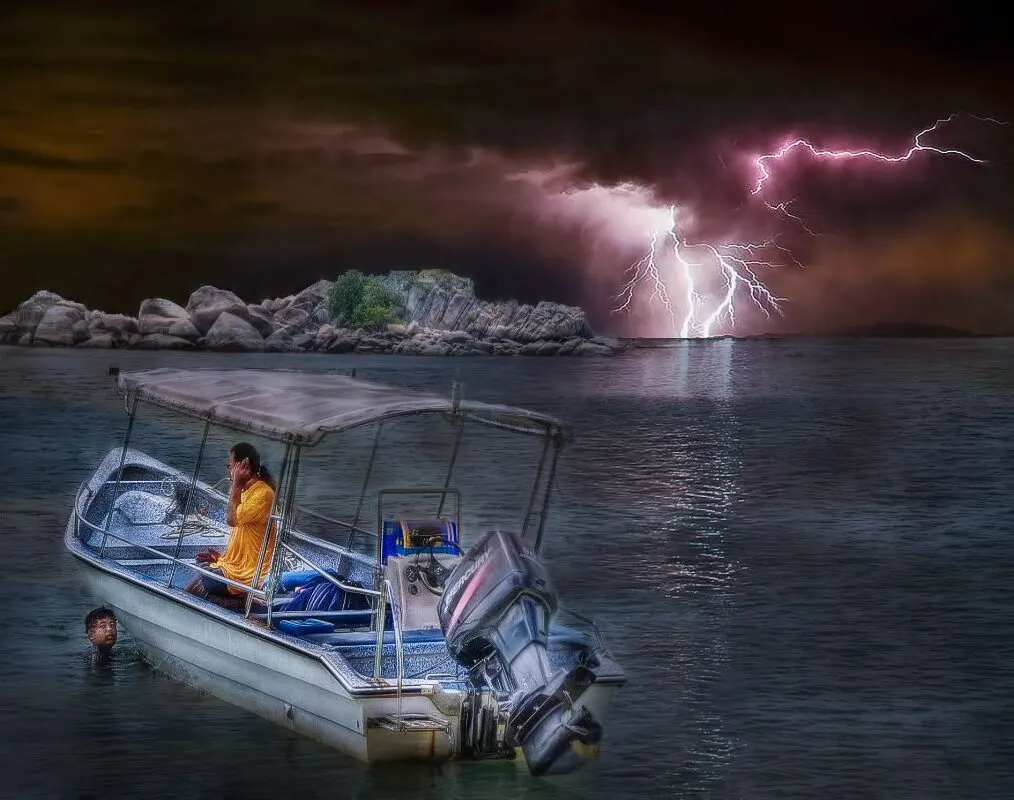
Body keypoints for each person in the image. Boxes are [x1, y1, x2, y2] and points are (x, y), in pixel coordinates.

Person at [186, 442, 276, 606]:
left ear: (244, 465)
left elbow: (232, 520)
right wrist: (221, 558)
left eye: (230, 466)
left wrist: (236, 483)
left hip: (249, 574)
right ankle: (239, 599)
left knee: (207, 580)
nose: (229, 471)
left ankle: (247, 601)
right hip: (236, 568)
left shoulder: (263, 494)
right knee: (197, 578)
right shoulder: (246, 491)